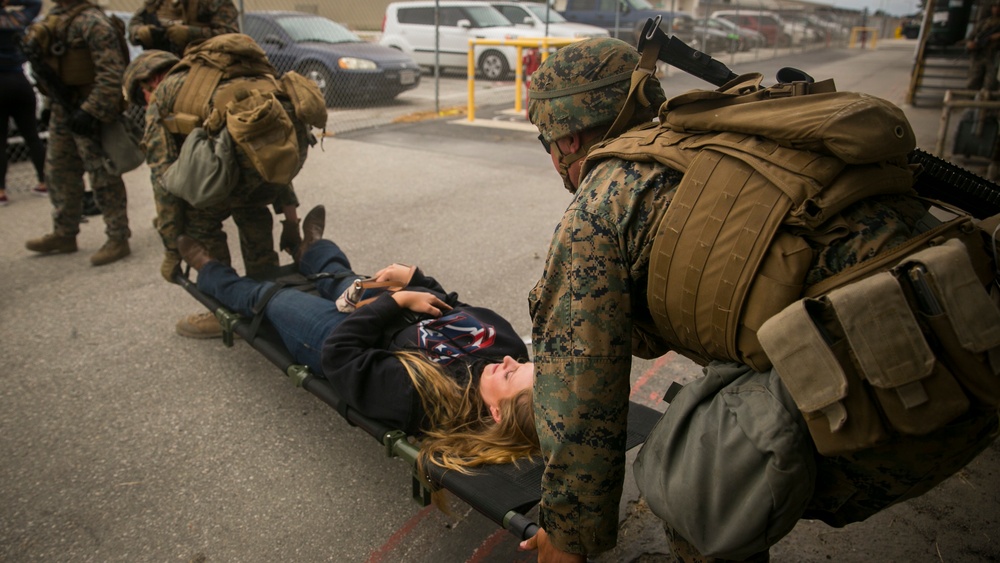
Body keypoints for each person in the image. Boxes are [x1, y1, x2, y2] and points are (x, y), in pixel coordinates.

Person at [521, 37, 1000, 562]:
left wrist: (567, 536)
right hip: (977, 347)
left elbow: (579, 396)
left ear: (567, 141)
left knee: (696, 481)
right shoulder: (731, 129)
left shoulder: (601, 202)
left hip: (904, 409)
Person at [177, 205, 539, 472]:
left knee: (270, 298)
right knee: (342, 276)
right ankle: (307, 249)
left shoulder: (428, 398)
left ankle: (210, 271)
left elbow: (342, 355)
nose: (508, 361)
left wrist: (395, 300)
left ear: (495, 413)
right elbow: (451, 306)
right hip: (395, 309)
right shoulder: (507, 348)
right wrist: (416, 279)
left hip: (342, 339)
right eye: (523, 363)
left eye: (510, 375)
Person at [123, 37, 314, 339]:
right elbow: (275, 160)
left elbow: (164, 182)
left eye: (144, 93)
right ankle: (269, 289)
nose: (147, 99)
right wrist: (291, 220)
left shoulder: (165, 94)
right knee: (252, 208)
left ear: (150, 81)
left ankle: (224, 308)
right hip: (276, 170)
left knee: (201, 217)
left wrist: (172, 247)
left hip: (233, 176)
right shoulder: (238, 78)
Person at [22, 0, 132, 266]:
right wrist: (50, 105)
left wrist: (91, 110)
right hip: (64, 107)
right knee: (58, 170)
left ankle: (118, 236)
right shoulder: (55, 18)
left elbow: (112, 74)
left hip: (91, 109)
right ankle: (64, 232)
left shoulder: (93, 22)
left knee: (102, 173)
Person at [0, 0, 46, 207]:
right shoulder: (15, 20)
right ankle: (44, 181)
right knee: (32, 135)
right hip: (20, 81)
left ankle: (1, 191)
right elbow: (35, 3)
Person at [127, 0, 238, 56]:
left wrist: (191, 34)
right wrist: (140, 32)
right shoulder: (156, 2)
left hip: (200, 64)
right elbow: (135, 23)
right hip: (160, 67)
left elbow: (231, 37)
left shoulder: (213, 2)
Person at [965, 1, 1000, 91]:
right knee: (972, 83)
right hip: (979, 56)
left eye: (998, 7)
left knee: (990, 86)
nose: (996, 9)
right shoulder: (984, 23)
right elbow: (971, 37)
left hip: (994, 56)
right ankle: (970, 103)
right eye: (994, 6)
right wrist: (970, 44)